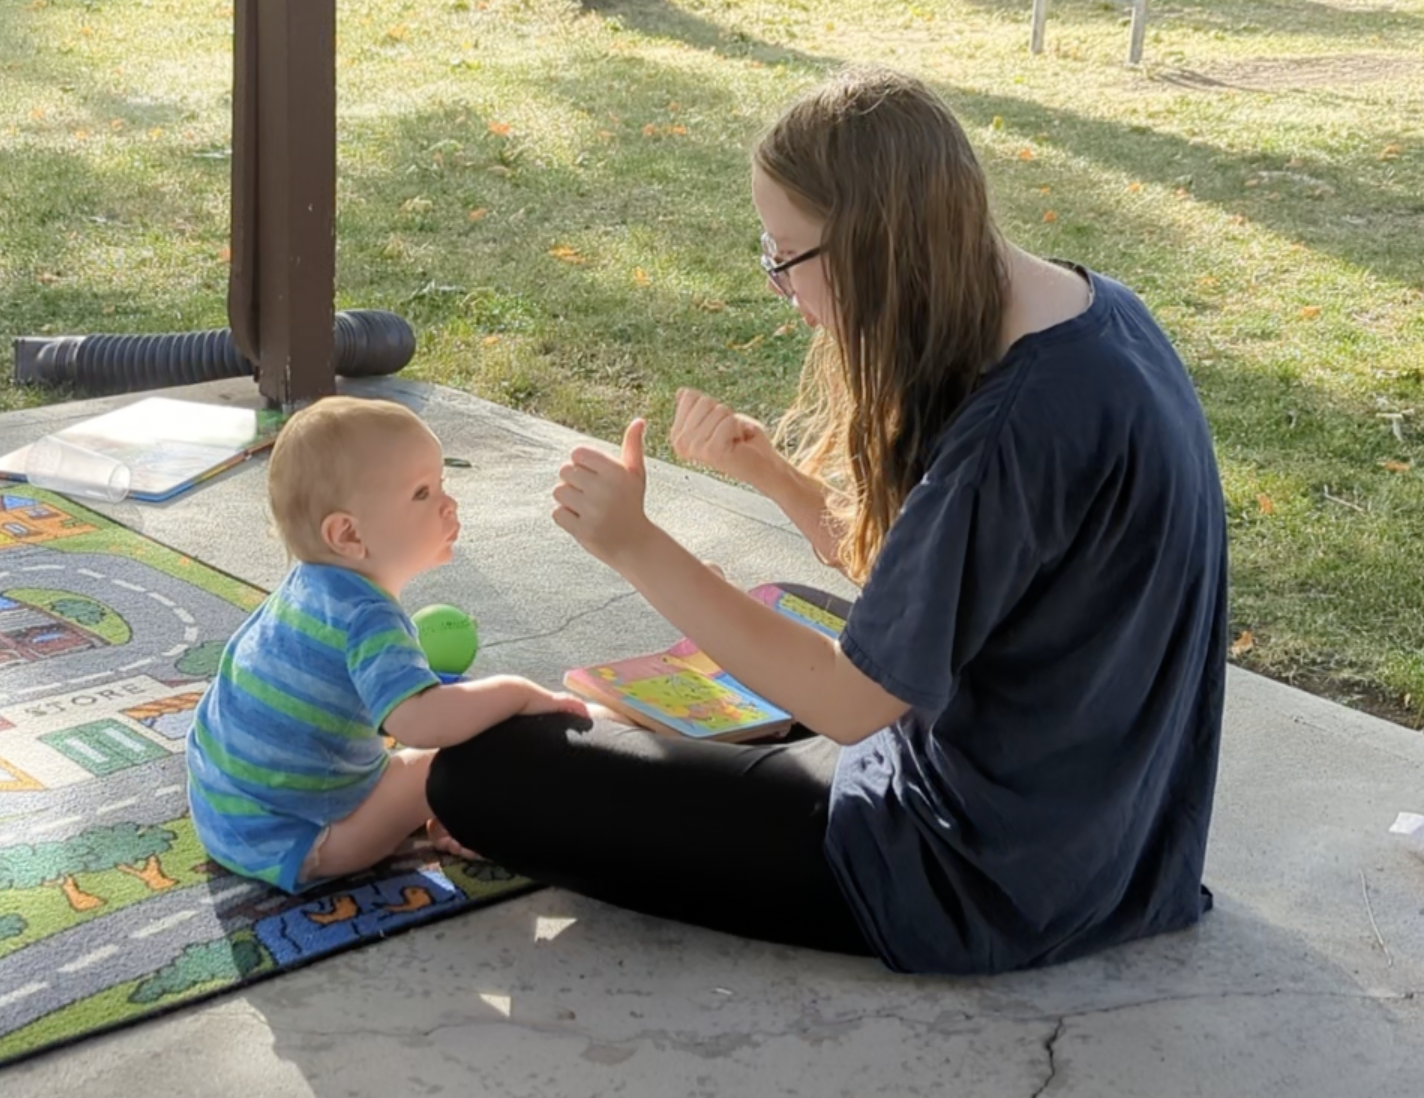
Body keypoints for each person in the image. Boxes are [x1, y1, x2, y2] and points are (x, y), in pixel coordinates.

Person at [427, 67, 1228, 974]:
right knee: (757, 640)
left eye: (785, 255)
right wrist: (767, 473)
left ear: (876, 245)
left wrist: (633, 544)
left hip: (967, 873)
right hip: (1106, 842)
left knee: (483, 773)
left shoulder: (1014, 430)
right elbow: (934, 570)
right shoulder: (1094, 313)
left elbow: (850, 704)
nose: (780, 289)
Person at [186, 397, 588, 894]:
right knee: (456, 755)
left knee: (432, 744)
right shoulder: (368, 617)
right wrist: (517, 692)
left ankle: (429, 809)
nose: (448, 504)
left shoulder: (309, 588)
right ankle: (460, 814)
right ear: (348, 534)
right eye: (422, 493)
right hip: (310, 839)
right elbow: (419, 724)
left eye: (442, 484)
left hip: (228, 816)